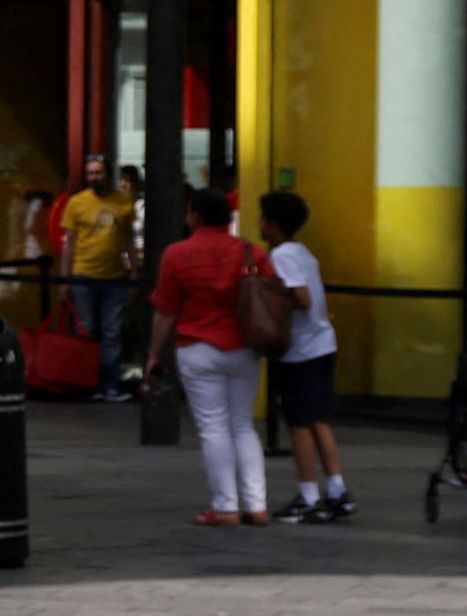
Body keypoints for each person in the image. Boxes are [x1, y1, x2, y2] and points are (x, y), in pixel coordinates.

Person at [145, 187, 268, 526]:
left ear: (195, 215)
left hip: (197, 348)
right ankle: (256, 504)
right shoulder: (250, 252)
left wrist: (155, 354)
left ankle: (225, 506)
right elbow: (271, 296)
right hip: (244, 348)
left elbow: (166, 311)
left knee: (213, 427)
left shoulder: (176, 254)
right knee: (243, 425)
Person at [252, 191, 348, 522]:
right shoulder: (303, 252)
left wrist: (271, 299)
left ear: (273, 225)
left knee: (299, 424)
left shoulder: (282, 256)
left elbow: (301, 298)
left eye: (263, 218)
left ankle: (308, 494)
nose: (259, 223)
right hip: (322, 345)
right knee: (319, 420)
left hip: (299, 351)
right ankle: (336, 489)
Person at [58, 151, 138, 397]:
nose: (94, 178)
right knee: (86, 331)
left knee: (111, 331)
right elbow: (69, 243)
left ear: (108, 174)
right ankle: (85, 382)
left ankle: (109, 384)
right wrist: (65, 278)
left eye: (98, 173)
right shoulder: (77, 203)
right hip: (83, 274)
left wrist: (133, 272)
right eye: (90, 173)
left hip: (114, 277)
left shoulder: (123, 202)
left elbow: (128, 239)